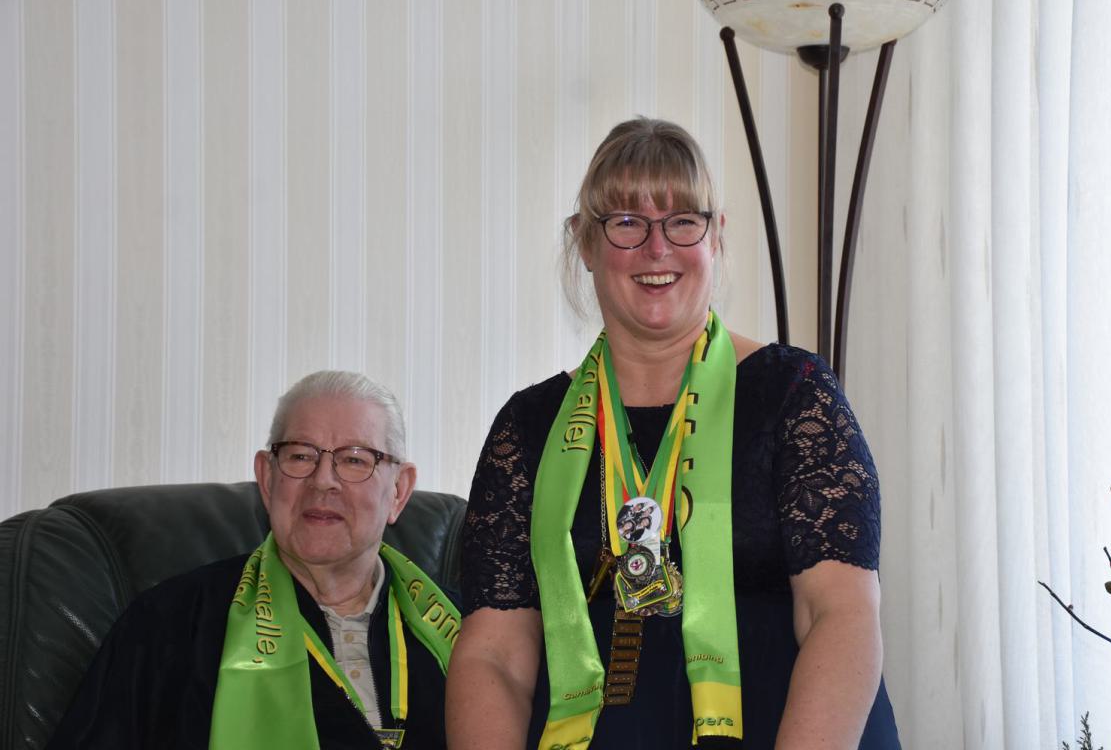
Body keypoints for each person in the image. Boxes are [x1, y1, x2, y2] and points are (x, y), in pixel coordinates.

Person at [446, 118, 900, 749]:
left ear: (716, 236)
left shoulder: (795, 394)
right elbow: (493, 654)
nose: (657, 248)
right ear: (585, 243)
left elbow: (841, 614)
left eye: (683, 220)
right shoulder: (526, 427)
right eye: (627, 222)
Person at [48, 371, 459, 749]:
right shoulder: (172, 624)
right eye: (300, 456)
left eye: (354, 459)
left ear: (399, 491)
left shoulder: (466, 633)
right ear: (266, 478)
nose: (323, 481)